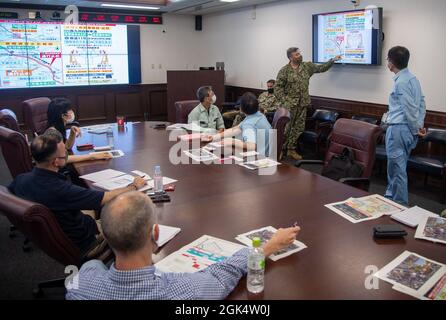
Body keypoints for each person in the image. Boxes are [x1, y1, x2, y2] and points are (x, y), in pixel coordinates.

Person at [66, 191, 301, 300]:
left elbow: (93, 265)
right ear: (155, 233)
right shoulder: (184, 292)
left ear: (105, 236)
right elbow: (225, 271)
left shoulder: (80, 284)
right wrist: (270, 245)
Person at [8, 133, 146, 254]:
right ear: (56, 162)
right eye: (65, 155)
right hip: (88, 241)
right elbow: (106, 197)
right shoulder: (61, 190)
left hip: (57, 234)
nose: (67, 156)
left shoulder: (21, 179)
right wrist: (134, 185)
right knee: (133, 221)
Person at [275, 47, 342, 160]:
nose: (300, 55)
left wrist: (332, 60)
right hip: (289, 105)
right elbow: (278, 88)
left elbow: (321, 68)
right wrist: (285, 101)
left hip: (303, 104)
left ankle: (291, 149)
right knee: (286, 128)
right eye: (297, 54)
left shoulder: (307, 67)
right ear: (291, 57)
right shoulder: (284, 71)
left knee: (298, 128)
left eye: (299, 53)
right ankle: (279, 150)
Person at [384, 46, 426, 205]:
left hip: (399, 130)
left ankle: (399, 204)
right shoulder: (412, 79)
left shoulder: (401, 82)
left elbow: (409, 109)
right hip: (408, 130)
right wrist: (419, 126)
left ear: (391, 62)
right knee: (397, 168)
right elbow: (422, 103)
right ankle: (390, 199)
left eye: (388, 59)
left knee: (397, 170)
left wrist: (416, 128)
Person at [203, 92, 272, 157]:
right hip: (267, 153)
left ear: (241, 109)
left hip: (259, 158)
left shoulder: (249, 124)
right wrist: (213, 137)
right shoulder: (259, 115)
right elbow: (236, 129)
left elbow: (251, 146)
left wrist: (232, 141)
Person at [47, 97, 111, 163]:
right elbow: (61, 160)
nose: (72, 112)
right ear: (63, 115)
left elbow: (67, 147)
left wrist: (72, 133)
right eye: (69, 110)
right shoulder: (52, 134)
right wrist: (91, 156)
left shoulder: (59, 128)